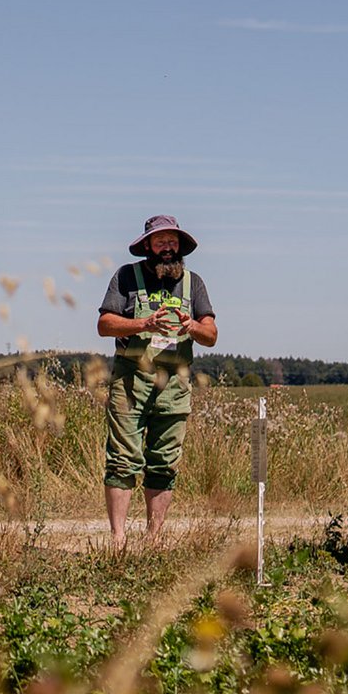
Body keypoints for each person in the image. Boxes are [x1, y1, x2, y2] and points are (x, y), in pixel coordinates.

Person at [97, 214, 218, 549]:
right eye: (161, 241)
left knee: (164, 460)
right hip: (131, 379)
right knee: (122, 458)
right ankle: (118, 539)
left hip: (175, 385)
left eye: (173, 241)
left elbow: (211, 335)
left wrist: (191, 326)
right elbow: (105, 324)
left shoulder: (194, 283)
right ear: (147, 245)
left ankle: (154, 538)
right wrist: (143, 324)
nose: (168, 247)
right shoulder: (126, 276)